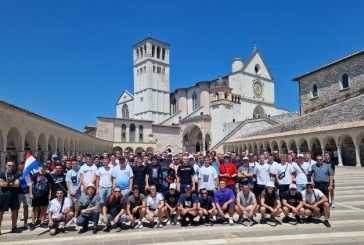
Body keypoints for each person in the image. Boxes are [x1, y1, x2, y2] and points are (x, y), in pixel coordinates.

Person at [29, 162, 53, 230]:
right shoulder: (36, 175)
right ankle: (33, 223)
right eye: (42, 167)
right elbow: (31, 184)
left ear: (46, 168)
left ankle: (42, 222)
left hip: (45, 194)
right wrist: (30, 193)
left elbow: (50, 186)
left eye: (45, 167)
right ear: (41, 167)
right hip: (36, 194)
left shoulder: (48, 175)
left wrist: (50, 194)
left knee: (44, 209)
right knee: (34, 209)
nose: (43, 168)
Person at [0, 161, 20, 234]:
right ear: (6, 166)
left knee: (14, 212)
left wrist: (7, 183)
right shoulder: (2, 173)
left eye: (12, 165)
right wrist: (12, 183)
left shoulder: (16, 173)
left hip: (14, 195)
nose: (10, 167)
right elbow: (1, 184)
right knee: (1, 213)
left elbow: (17, 184)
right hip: (4, 195)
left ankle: (14, 227)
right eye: (9, 165)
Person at [65, 158, 81, 224]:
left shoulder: (79, 172)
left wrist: (77, 189)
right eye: (73, 164)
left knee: (76, 205)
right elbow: (67, 182)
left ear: (77, 164)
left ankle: (75, 217)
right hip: (70, 191)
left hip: (77, 191)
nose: (74, 165)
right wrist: (70, 191)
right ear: (71, 164)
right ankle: (71, 217)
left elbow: (80, 181)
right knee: (70, 205)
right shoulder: (69, 172)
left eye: (75, 163)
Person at [17, 161, 31, 230]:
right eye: (20, 165)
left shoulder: (27, 173)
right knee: (16, 209)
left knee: (26, 208)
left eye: (23, 165)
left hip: (26, 193)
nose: (22, 166)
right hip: (18, 193)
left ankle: (25, 223)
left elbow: (30, 183)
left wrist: (30, 193)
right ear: (18, 166)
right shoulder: (16, 174)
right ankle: (15, 224)